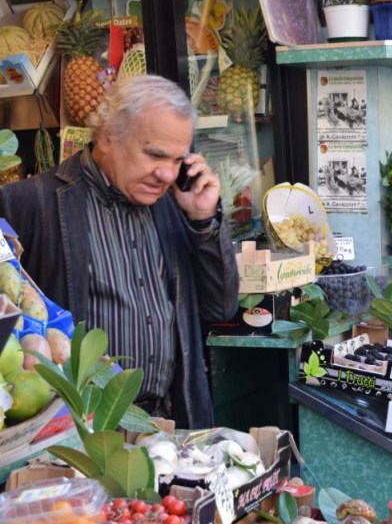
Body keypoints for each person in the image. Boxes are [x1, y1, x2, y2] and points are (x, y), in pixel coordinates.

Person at [0, 74, 238, 428]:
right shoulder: (29, 204)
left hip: (168, 423)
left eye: (177, 160)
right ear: (108, 135)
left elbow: (221, 306)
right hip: (83, 434)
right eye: (155, 155)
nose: (167, 173)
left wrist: (204, 220)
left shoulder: (177, 204)